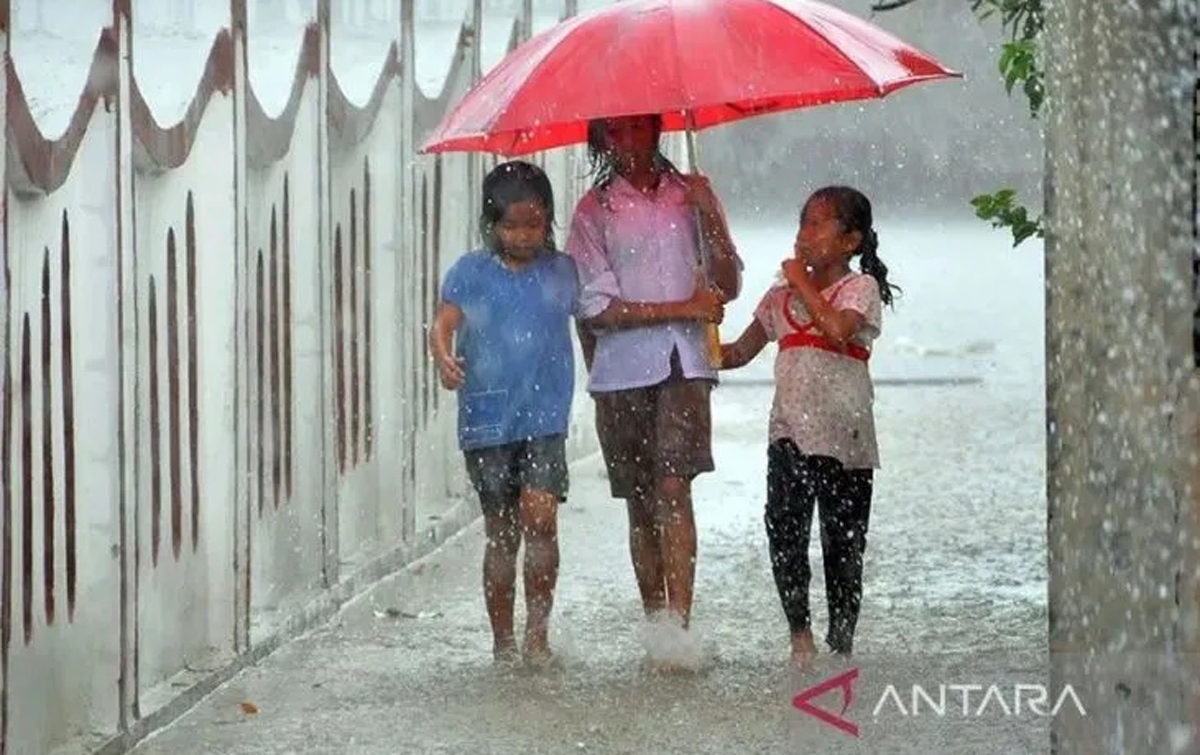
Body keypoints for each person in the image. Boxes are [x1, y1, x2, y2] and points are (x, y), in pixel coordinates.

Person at [565, 113, 742, 653]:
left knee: (674, 487)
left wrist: (710, 215)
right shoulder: (594, 212)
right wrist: (680, 306)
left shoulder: (691, 196)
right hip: (620, 373)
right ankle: (656, 621)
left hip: (684, 365)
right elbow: (596, 308)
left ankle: (681, 625)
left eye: (638, 128)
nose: (628, 141)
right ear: (602, 139)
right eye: (615, 132)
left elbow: (728, 285)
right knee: (640, 501)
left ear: (658, 128)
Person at [719, 185, 897, 669]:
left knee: (843, 544)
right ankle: (800, 634)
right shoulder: (778, 298)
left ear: (850, 241)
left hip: (845, 439)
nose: (805, 235)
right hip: (789, 434)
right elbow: (735, 354)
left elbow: (839, 330)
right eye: (803, 223)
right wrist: (701, 323)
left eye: (819, 224)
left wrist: (801, 281)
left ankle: (841, 643)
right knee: (786, 533)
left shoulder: (860, 289)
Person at [429, 160, 578, 666]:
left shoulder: (562, 271)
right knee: (501, 530)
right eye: (510, 226)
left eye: (533, 225)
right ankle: (502, 643)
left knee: (541, 518)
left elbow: (596, 320)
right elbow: (443, 324)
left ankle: (537, 635)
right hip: (487, 418)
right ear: (490, 224)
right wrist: (444, 358)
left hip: (544, 415)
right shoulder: (470, 272)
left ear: (548, 221)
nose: (521, 236)